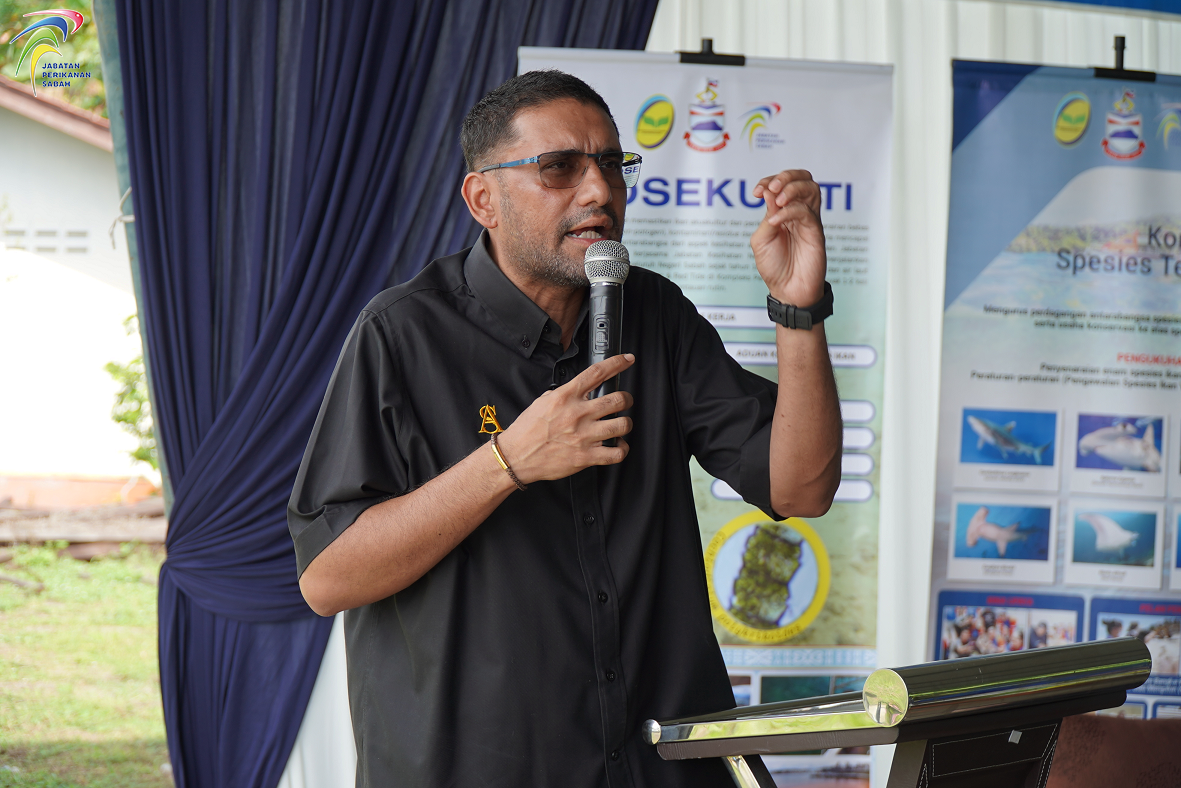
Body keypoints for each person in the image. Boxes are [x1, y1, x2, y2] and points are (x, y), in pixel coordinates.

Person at [288, 69, 842, 788]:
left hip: (660, 768)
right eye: (559, 168)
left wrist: (798, 310)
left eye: (612, 164)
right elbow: (327, 577)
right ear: (482, 199)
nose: (599, 191)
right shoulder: (401, 335)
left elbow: (801, 488)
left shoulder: (655, 314)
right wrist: (508, 461)